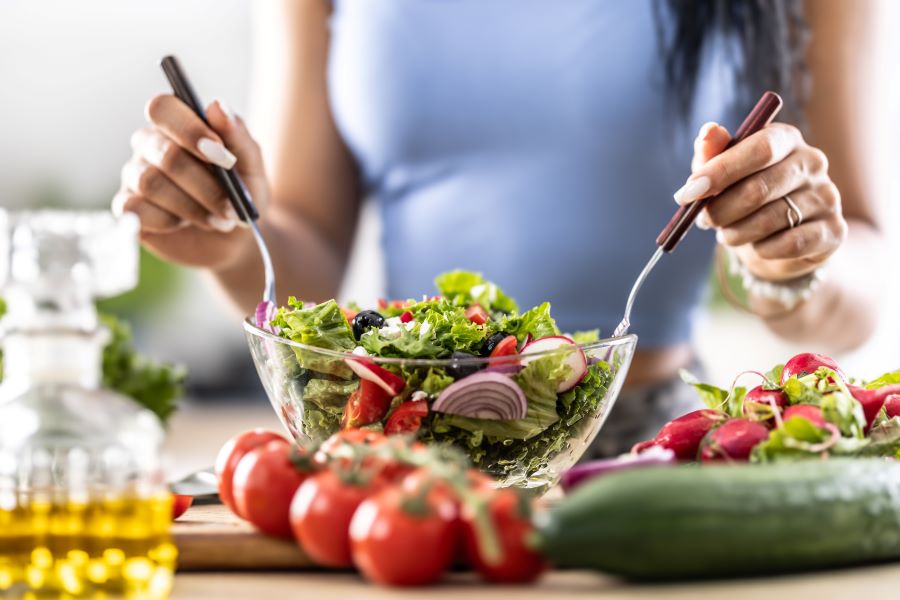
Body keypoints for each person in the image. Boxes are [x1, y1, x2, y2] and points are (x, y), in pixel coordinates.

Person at [114, 0, 884, 456]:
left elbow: (868, 266)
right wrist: (223, 236)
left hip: (647, 451)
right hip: (393, 440)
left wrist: (789, 266)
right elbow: (304, 260)